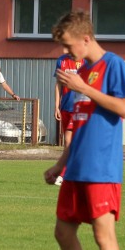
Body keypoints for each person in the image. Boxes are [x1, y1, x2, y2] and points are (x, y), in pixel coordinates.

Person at [43, 10, 125, 250]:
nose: (66, 53)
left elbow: (124, 108)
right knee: (63, 232)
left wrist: (85, 87)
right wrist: (60, 164)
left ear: (85, 38)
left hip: (101, 169)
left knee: (102, 235)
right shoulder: (80, 73)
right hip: (76, 168)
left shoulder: (113, 65)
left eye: (69, 46)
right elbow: (78, 127)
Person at [52, 53, 83, 185]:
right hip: (65, 107)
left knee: (70, 142)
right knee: (70, 143)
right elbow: (58, 84)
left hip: (80, 108)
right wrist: (56, 106)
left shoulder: (86, 60)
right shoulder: (62, 60)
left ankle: (63, 174)